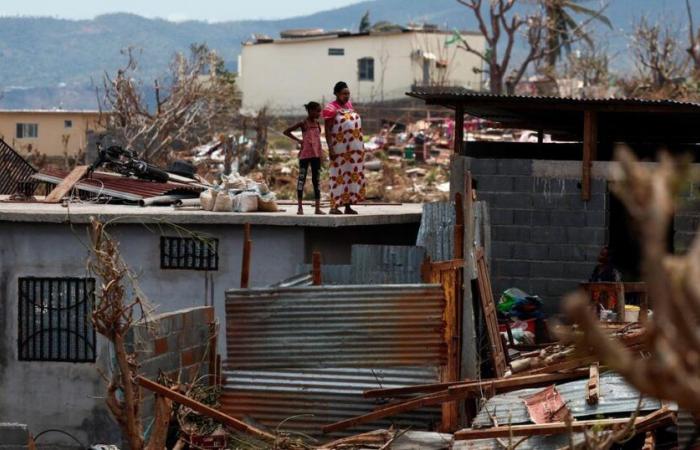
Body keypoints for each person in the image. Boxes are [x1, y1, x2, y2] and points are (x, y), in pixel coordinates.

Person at [322, 81, 366, 215]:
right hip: (339, 150)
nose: (346, 96)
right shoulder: (330, 108)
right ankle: (334, 206)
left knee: (351, 177)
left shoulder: (349, 106)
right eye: (343, 94)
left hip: (353, 152)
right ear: (336, 94)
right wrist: (331, 148)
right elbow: (328, 130)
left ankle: (348, 205)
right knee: (338, 176)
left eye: (348, 94)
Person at [283, 101, 325, 215]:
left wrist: (321, 155)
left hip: (316, 156)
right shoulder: (303, 124)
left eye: (319, 111)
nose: (319, 113)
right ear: (310, 111)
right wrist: (299, 141)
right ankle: (300, 208)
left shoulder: (317, 125)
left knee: (316, 181)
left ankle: (317, 208)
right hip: (305, 156)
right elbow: (286, 131)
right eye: (317, 111)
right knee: (301, 180)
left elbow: (318, 142)